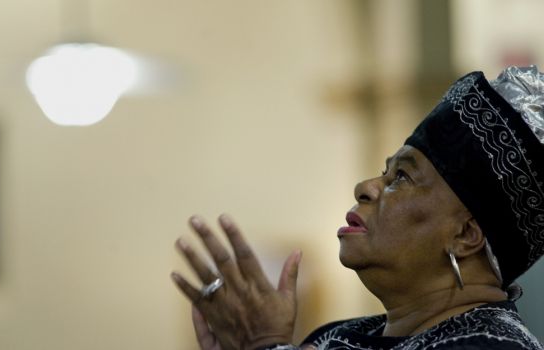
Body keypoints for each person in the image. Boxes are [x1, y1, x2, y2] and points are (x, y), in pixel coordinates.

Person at [171, 66, 544, 350]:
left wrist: (267, 344)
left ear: (465, 234)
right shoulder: (337, 337)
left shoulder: (493, 345)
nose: (365, 187)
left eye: (402, 178)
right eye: (385, 172)